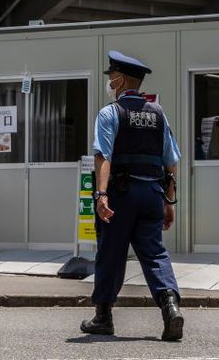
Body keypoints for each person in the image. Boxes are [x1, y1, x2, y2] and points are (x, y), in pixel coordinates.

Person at [81, 50, 184, 341]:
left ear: (120, 79)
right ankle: (171, 307)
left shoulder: (110, 113)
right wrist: (169, 200)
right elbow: (171, 161)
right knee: (154, 253)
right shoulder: (158, 114)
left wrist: (101, 194)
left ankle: (103, 317)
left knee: (111, 254)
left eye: (111, 75)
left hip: (121, 195)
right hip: (152, 193)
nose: (109, 80)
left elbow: (103, 156)